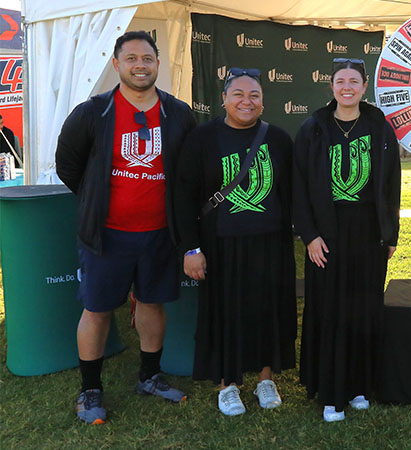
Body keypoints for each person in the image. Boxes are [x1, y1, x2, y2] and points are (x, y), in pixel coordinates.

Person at [55, 31, 195, 425]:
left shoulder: (178, 113)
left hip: (158, 234)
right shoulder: (93, 112)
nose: (140, 65)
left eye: (147, 58)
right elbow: (68, 163)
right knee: (97, 309)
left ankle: (149, 377)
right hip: (107, 234)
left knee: (152, 304)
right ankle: (90, 389)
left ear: (157, 64)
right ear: (116, 64)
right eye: (131, 58)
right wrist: (93, 197)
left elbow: (189, 171)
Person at [174, 68, 296, 416]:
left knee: (267, 309)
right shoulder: (203, 139)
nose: (247, 101)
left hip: (270, 242)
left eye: (254, 95)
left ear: (262, 101)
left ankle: (265, 377)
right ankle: (227, 384)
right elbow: (183, 197)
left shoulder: (278, 140)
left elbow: (292, 193)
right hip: (221, 244)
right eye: (239, 94)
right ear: (223, 99)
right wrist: (191, 248)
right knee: (225, 312)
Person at [293, 57, 400, 422]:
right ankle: (330, 392)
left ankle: (357, 386)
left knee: (363, 308)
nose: (347, 87)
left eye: (354, 81)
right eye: (341, 81)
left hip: (368, 234)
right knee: (330, 309)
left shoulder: (378, 127)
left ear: (364, 86)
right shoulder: (314, 128)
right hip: (326, 234)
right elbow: (299, 189)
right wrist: (310, 236)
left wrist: (390, 233)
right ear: (332, 86)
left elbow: (391, 184)